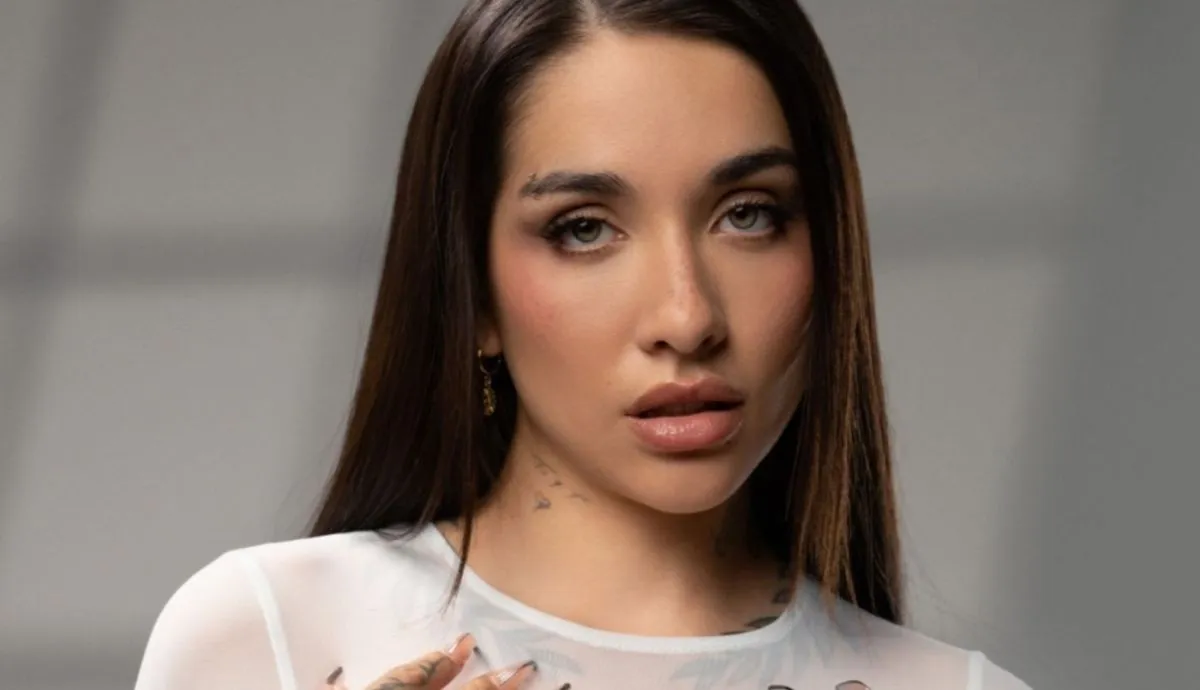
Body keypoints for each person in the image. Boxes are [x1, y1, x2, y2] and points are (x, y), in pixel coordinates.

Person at [134, 1, 1033, 688]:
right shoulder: (265, 638)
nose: (687, 317)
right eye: (584, 228)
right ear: (473, 295)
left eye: (748, 215)